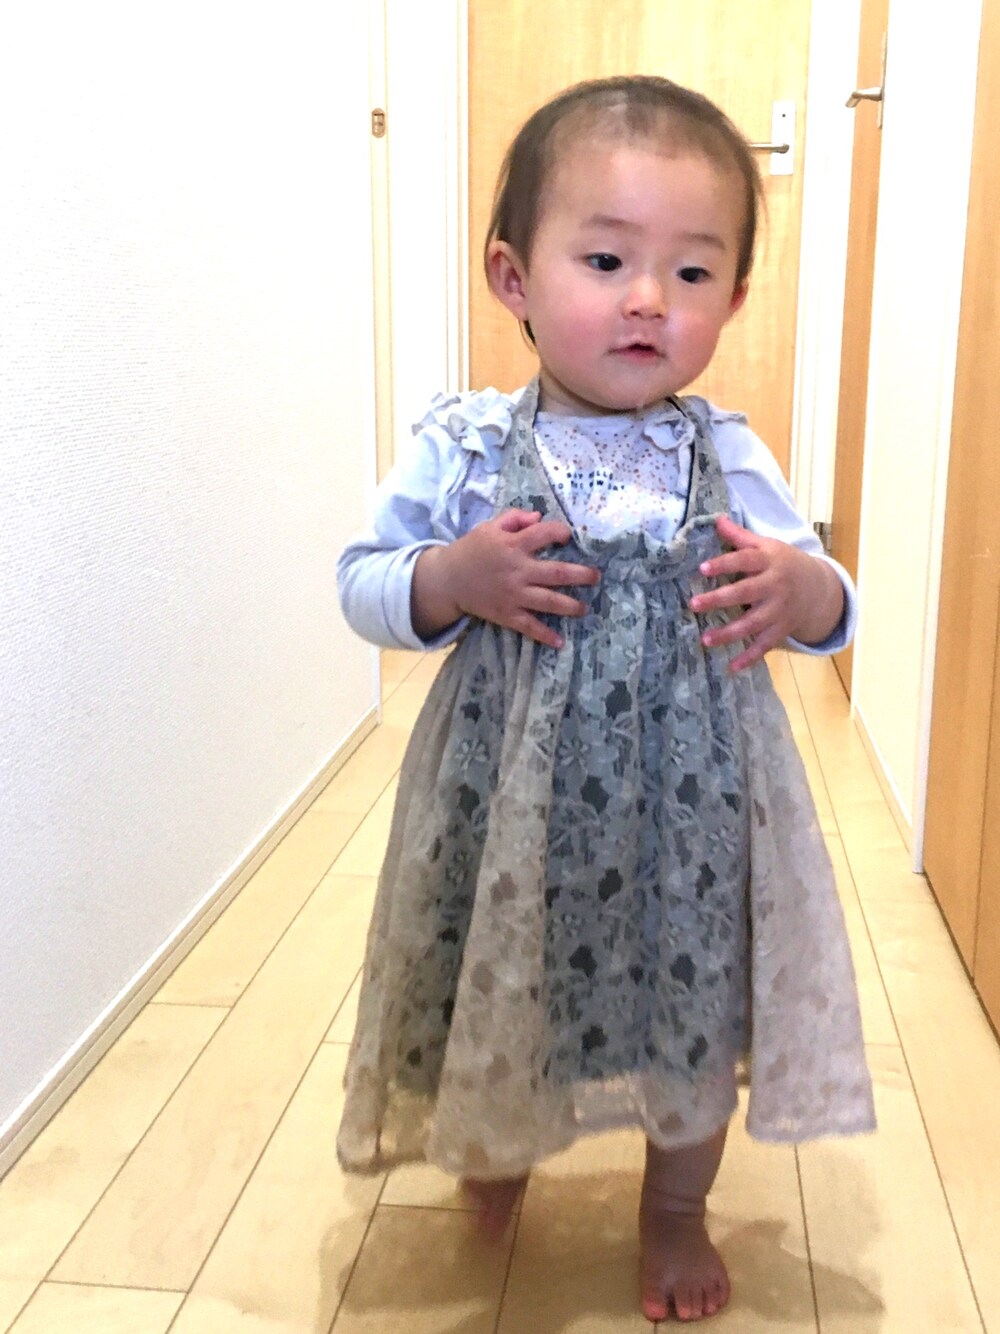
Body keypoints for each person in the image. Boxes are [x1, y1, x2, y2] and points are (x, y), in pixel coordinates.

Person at [336, 75, 875, 1323]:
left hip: (693, 812)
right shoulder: (468, 444)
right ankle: (496, 1134)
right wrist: (449, 577)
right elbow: (362, 579)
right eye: (604, 259)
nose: (647, 298)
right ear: (512, 277)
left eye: (691, 272)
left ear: (731, 296)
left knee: (692, 998)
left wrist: (799, 589)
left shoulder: (726, 450)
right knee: (507, 972)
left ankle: (676, 1206)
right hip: (507, 808)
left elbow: (829, 601)